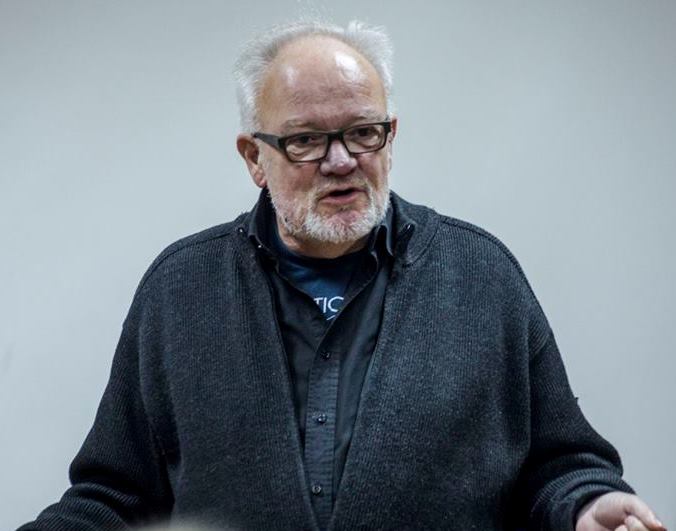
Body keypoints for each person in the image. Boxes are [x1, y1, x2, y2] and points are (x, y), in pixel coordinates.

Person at [19, 20, 665, 531]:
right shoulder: (180, 290)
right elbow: (114, 495)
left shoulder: (482, 277)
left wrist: (587, 504)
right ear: (253, 157)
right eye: (305, 139)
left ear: (391, 135)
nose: (341, 161)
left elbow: (559, 464)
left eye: (363, 132)